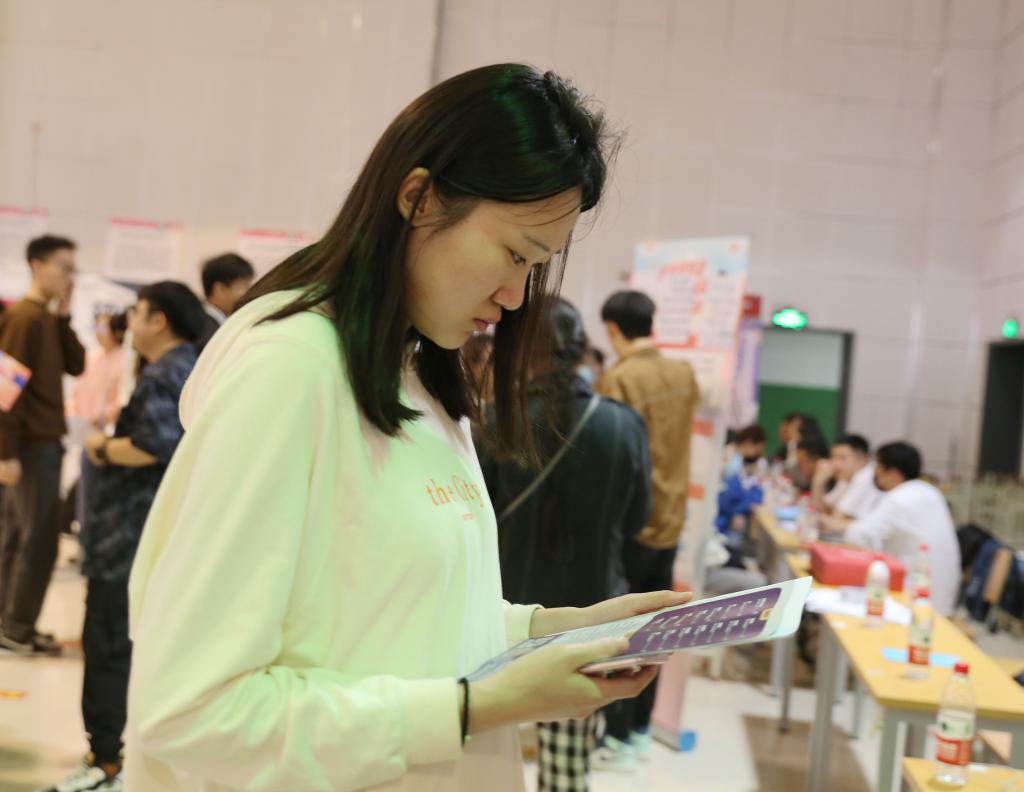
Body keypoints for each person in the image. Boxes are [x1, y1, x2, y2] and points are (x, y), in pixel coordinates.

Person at [124, 64, 689, 792]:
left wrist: (556, 631)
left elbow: (405, 618)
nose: (516, 297)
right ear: (419, 198)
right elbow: (189, 710)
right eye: (514, 254)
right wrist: (473, 709)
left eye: (537, 266)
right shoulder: (289, 374)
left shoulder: (417, 374)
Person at [477, 297, 652, 792]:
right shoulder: (623, 423)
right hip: (590, 614)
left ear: (519, 349)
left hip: (506, 614)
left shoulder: (494, 420)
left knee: (486, 750)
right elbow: (637, 520)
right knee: (567, 768)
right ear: (580, 349)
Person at [46, 283, 205, 792]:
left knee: (109, 644)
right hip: (149, 536)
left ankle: (106, 763)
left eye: (136, 313)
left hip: (127, 537)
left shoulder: (165, 373)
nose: (128, 323)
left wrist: (101, 446)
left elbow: (153, 446)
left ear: (159, 320)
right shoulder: (190, 368)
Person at [594, 289, 700, 769]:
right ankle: (638, 731)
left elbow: (613, 456)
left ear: (613, 328)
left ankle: (616, 738)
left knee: (624, 631)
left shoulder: (620, 377)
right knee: (658, 630)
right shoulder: (683, 374)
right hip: (672, 521)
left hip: (632, 525)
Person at [0, 235, 85, 655]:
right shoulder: (24, 319)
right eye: (64, 268)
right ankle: (15, 627)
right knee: (35, 540)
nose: (70, 277)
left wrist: (64, 316)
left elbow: (77, 364)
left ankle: (12, 623)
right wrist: (6, 451)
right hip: (31, 446)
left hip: (41, 442)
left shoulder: (46, 318)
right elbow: (6, 389)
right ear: (37, 265)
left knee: (23, 536)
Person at [843, 441, 961, 616]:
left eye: (878, 467)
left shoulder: (899, 498)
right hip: (944, 600)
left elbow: (857, 535)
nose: (874, 473)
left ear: (893, 473)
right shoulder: (931, 492)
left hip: (914, 603)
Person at [67, 312, 128, 549]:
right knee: (85, 490)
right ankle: (85, 542)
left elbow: (120, 399)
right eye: (96, 329)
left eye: (103, 329)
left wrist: (102, 417)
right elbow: (77, 391)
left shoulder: (124, 360)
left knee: (96, 490)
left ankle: (94, 544)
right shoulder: (92, 358)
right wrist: (75, 416)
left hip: (106, 433)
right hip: (83, 430)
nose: (98, 334)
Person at [814, 433, 881, 526]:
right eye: (833, 457)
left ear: (863, 459)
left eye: (842, 458)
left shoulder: (866, 476)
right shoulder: (846, 477)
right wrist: (818, 482)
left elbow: (835, 520)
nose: (835, 463)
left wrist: (818, 517)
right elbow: (822, 510)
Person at [196, 253, 255, 351]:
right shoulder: (208, 331)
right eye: (243, 286)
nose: (248, 292)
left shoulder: (206, 322)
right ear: (220, 289)